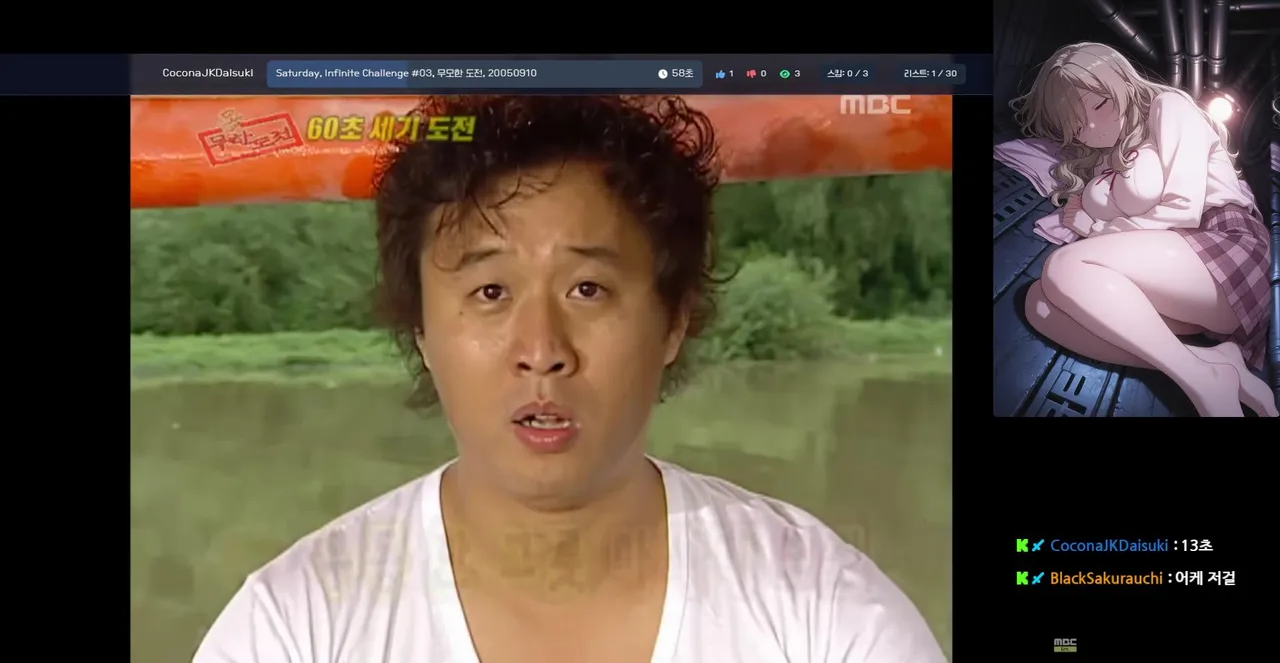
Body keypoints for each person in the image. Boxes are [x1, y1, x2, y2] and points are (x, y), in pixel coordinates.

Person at [192, 95, 946, 662]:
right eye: (490, 291)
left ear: (674, 320)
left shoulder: (823, 613)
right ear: (422, 329)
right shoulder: (295, 625)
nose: (542, 350)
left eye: (588, 289)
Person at [1013, 42, 1278, 418]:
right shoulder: (1111, 156)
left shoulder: (1169, 107)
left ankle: (1202, 380)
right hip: (1177, 277)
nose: (1092, 128)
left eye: (1100, 104)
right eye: (1076, 124)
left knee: (1064, 266)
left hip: (1224, 244)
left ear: (1123, 83)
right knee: (1039, 304)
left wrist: (1098, 229)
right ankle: (1210, 364)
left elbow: (1184, 208)